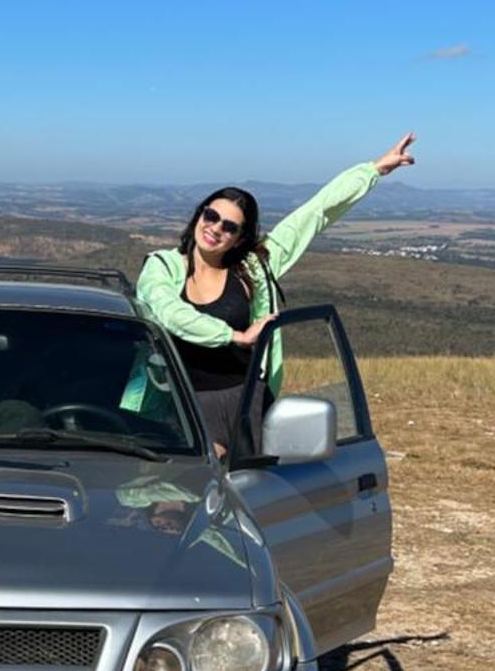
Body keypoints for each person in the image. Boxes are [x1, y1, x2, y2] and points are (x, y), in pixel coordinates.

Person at [131, 133, 417, 456]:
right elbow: (168, 312)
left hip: (243, 403)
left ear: (240, 239)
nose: (215, 229)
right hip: (177, 405)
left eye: (230, 227)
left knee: (234, 495)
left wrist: (373, 170)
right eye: (211, 216)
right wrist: (233, 336)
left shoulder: (252, 268)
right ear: (200, 215)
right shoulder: (162, 268)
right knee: (175, 499)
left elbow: (315, 213)